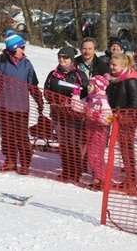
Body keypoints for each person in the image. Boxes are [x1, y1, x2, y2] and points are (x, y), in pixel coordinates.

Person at [0, 30, 44, 175]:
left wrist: (39, 102)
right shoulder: (0, 61)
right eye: (22, 47)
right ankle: (11, 160)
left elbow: (32, 84)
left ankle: (25, 162)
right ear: (14, 48)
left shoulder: (26, 64)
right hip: (3, 105)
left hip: (21, 107)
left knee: (21, 135)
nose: (24, 50)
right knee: (7, 135)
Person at [44, 46, 89, 182]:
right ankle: (66, 170)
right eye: (60, 57)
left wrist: (74, 102)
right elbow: (46, 90)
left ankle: (76, 171)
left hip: (74, 114)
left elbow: (86, 94)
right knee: (63, 143)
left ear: (71, 59)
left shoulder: (79, 75)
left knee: (73, 143)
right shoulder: (53, 74)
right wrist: (55, 100)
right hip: (58, 113)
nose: (62, 60)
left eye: (65, 57)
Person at [71, 75, 112, 191]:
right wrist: (76, 95)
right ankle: (97, 178)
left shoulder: (101, 101)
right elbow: (77, 107)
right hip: (90, 129)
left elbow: (109, 118)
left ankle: (101, 179)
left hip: (99, 130)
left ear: (97, 87)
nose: (87, 87)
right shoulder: (90, 98)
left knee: (96, 155)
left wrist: (98, 116)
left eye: (90, 85)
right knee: (92, 155)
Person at [106, 53, 137, 190]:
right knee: (123, 150)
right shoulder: (114, 79)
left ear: (123, 66)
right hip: (116, 120)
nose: (111, 67)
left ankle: (132, 181)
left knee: (127, 150)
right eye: (110, 64)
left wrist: (121, 113)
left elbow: (135, 103)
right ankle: (128, 178)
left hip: (127, 121)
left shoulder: (130, 80)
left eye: (114, 65)